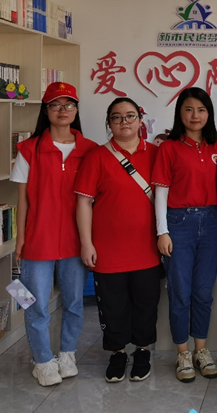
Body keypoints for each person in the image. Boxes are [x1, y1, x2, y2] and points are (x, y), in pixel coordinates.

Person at [10, 82, 98, 386]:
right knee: (35, 303)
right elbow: (22, 199)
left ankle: (67, 354)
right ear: (45, 110)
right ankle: (43, 360)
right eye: (56, 105)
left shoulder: (91, 150)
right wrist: (20, 238)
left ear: (76, 110)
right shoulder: (29, 149)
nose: (63, 110)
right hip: (39, 238)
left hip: (76, 239)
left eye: (69, 104)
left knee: (74, 302)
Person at [75, 97, 161, 383]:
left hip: (148, 247)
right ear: (109, 123)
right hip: (108, 249)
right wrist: (86, 243)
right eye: (117, 117)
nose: (124, 121)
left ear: (140, 120)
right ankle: (118, 353)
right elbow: (84, 202)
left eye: (130, 116)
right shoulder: (97, 157)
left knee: (146, 302)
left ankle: (143, 351)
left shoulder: (157, 154)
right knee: (113, 305)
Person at [150, 87, 217, 383]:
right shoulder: (169, 148)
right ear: (180, 113)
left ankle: (201, 350)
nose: (195, 115)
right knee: (179, 292)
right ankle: (182, 352)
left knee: (203, 292)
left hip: (211, 222)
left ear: (209, 113)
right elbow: (161, 192)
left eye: (201, 110)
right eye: (189, 109)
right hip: (178, 223)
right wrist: (162, 231)